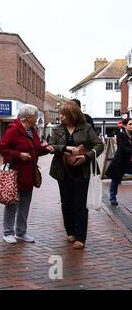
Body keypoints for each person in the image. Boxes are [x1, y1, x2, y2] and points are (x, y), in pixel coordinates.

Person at [48, 102, 104, 249]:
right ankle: (70, 231)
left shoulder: (86, 128)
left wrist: (87, 157)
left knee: (80, 204)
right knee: (66, 203)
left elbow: (99, 145)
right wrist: (66, 148)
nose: (60, 116)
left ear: (72, 115)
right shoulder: (57, 129)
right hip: (62, 171)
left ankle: (81, 237)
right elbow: (51, 146)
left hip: (82, 171)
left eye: (63, 114)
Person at [0, 104, 52, 244]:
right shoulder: (14, 130)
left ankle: (21, 232)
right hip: (15, 173)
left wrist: (46, 149)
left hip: (29, 174)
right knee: (12, 203)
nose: (37, 118)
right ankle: (8, 232)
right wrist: (18, 155)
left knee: (25, 204)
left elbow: (35, 149)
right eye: (35, 116)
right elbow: (2, 148)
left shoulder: (32, 131)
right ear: (28, 117)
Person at [106, 118, 132, 206]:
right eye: (130, 124)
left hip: (130, 162)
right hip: (120, 160)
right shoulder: (120, 135)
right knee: (115, 179)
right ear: (125, 126)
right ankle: (112, 198)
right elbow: (122, 147)